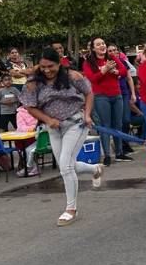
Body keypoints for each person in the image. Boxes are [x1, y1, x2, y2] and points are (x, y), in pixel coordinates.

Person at [21, 47, 104, 226]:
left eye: (50, 66)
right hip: (53, 127)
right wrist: (47, 119)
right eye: (43, 67)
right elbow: (29, 106)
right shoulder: (33, 83)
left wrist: (88, 114)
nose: (47, 70)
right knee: (66, 164)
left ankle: (71, 209)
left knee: (65, 167)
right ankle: (95, 169)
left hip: (76, 123)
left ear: (59, 63)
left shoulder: (73, 76)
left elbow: (89, 93)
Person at [82, 38, 130, 166]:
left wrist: (115, 71)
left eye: (103, 43)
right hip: (101, 96)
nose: (102, 46)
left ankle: (119, 152)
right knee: (105, 126)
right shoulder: (88, 62)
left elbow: (124, 71)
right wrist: (104, 70)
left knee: (118, 124)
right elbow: (92, 78)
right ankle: (108, 155)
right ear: (93, 48)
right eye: (98, 44)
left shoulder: (112, 57)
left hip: (116, 94)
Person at [108, 44, 137, 156]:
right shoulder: (107, 64)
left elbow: (129, 78)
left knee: (126, 120)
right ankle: (119, 145)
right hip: (113, 94)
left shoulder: (123, 63)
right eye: (110, 50)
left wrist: (133, 93)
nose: (113, 52)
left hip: (124, 93)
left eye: (114, 50)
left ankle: (124, 141)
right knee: (117, 121)